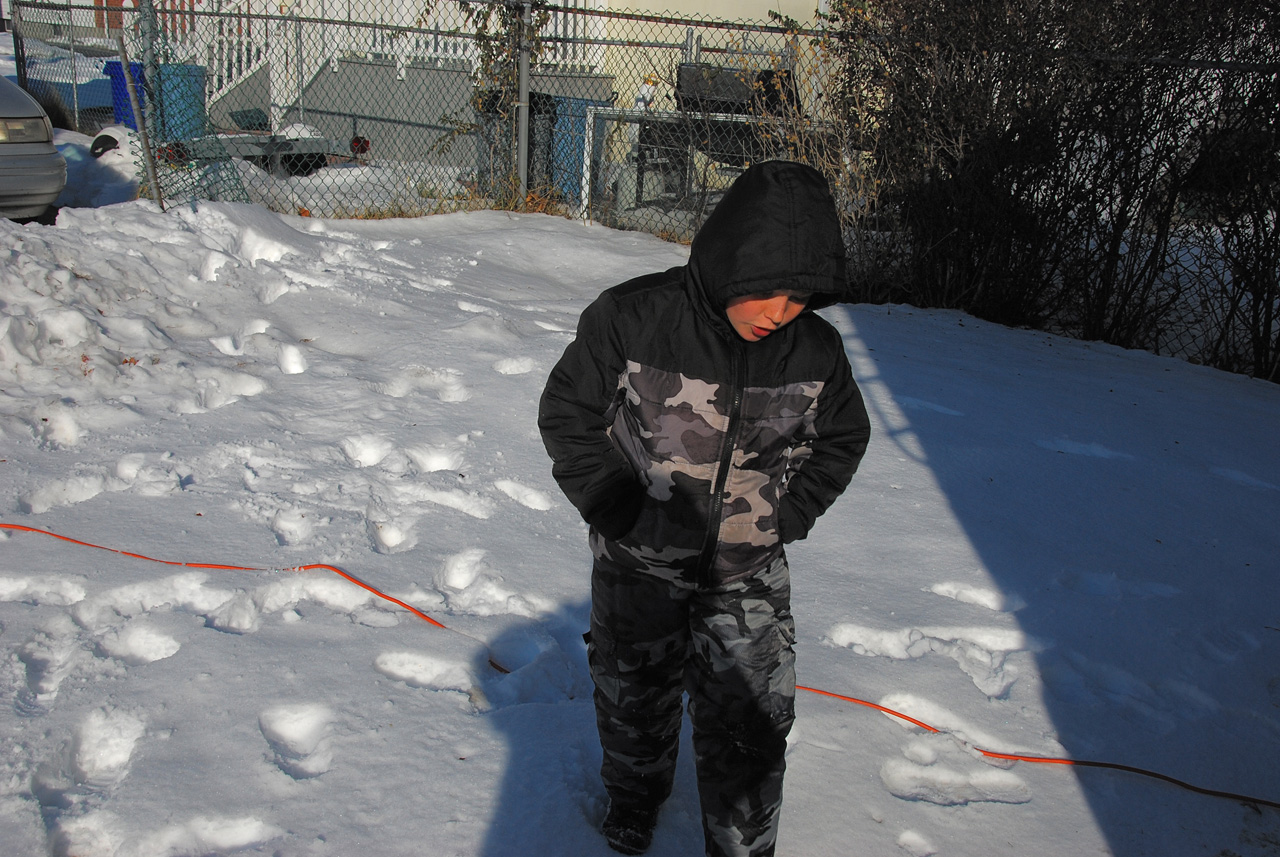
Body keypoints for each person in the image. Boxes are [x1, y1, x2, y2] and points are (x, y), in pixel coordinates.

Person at [538, 160, 871, 857]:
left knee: (752, 719)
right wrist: (615, 505)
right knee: (633, 697)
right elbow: (568, 412)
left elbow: (844, 436)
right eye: (770, 291)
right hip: (638, 564)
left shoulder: (815, 350)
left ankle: (744, 841)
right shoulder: (632, 319)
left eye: (802, 295)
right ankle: (635, 796)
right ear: (730, 264)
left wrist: (787, 514)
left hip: (746, 575)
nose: (781, 311)